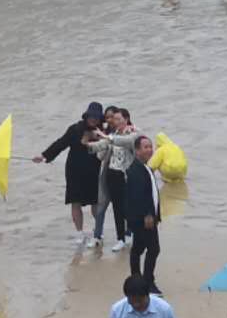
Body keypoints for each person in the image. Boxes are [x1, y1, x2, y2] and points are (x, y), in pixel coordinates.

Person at [33, 102, 107, 247]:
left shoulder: (103, 132)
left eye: (96, 117)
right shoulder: (75, 129)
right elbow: (60, 144)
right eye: (91, 116)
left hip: (94, 171)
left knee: (95, 202)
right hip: (74, 171)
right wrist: (43, 156)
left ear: (100, 118)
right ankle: (80, 233)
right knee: (75, 201)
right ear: (86, 116)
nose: (93, 119)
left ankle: (98, 231)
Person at [88, 108, 140, 251]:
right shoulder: (113, 134)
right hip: (111, 174)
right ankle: (119, 238)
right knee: (115, 208)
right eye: (114, 119)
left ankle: (130, 233)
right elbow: (102, 147)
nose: (115, 122)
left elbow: (125, 141)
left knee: (126, 208)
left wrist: (106, 137)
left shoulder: (134, 133)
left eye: (118, 119)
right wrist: (88, 145)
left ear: (126, 119)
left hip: (125, 176)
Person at [117, 135, 165, 290]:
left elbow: (150, 193)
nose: (150, 150)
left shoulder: (144, 167)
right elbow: (138, 196)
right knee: (153, 249)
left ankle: (137, 280)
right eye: (145, 147)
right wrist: (148, 215)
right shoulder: (135, 170)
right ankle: (147, 282)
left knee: (138, 249)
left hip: (145, 217)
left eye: (150, 147)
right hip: (143, 219)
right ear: (137, 151)